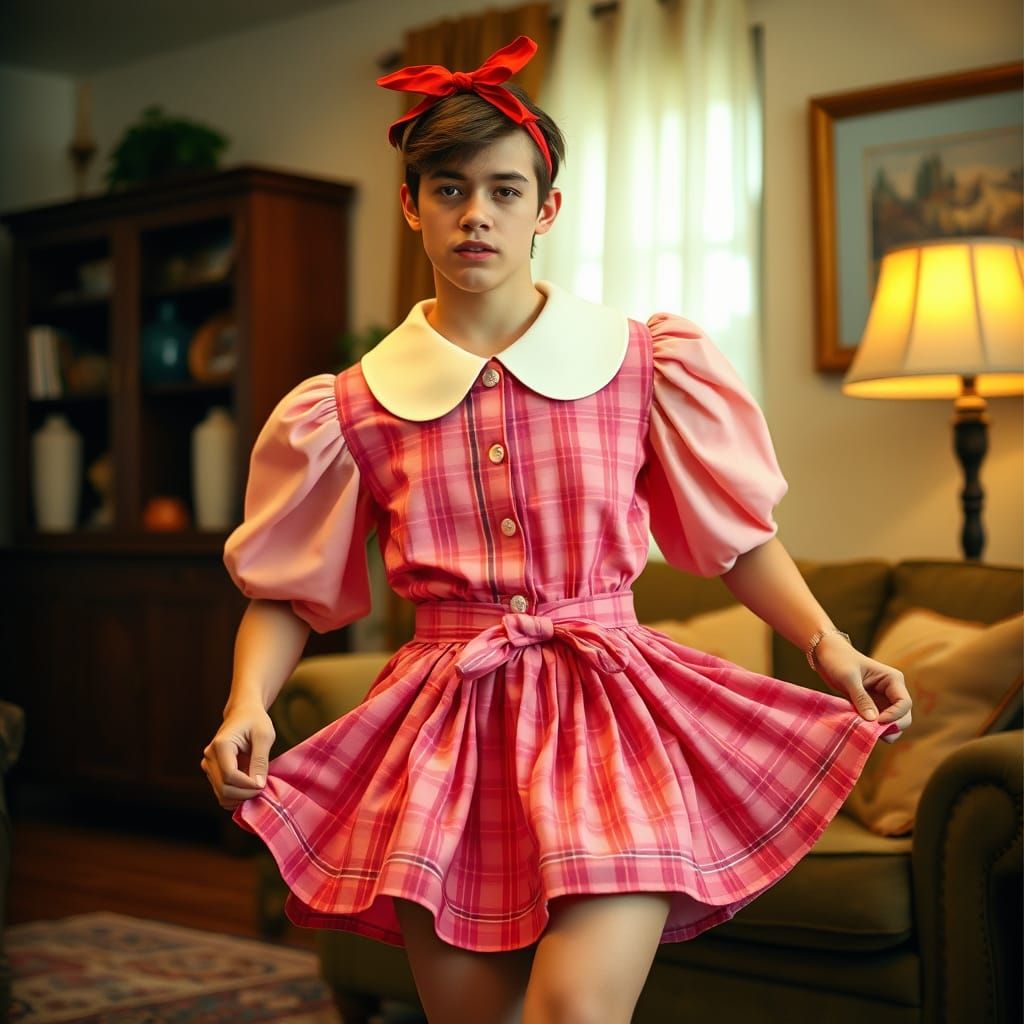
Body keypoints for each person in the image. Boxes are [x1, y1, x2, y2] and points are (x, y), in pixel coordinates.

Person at [201, 36, 912, 1024]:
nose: (475, 215)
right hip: (442, 738)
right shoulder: (347, 408)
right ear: (411, 205)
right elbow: (286, 587)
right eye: (448, 190)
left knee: (576, 1011)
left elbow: (736, 537)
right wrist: (248, 705)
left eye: (502, 190)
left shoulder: (641, 365)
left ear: (547, 208)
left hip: (613, 715)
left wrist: (831, 645)